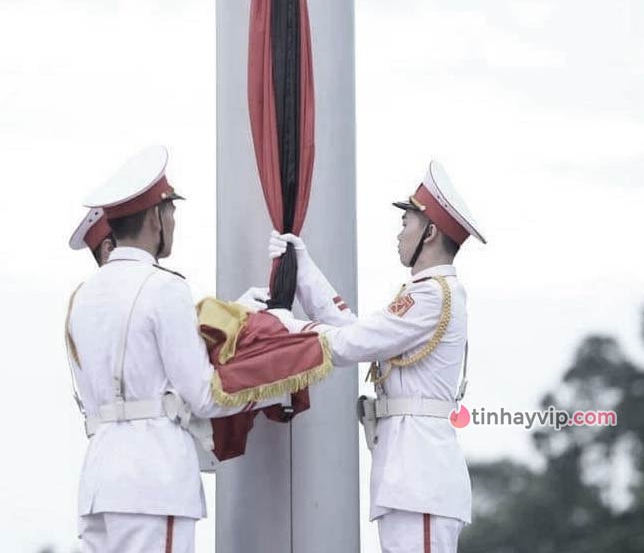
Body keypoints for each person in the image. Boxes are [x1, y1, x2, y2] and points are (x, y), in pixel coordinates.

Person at [67, 146, 288, 552]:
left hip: (100, 480)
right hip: (154, 480)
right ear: (156, 217)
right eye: (171, 212)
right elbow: (203, 395)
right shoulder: (164, 287)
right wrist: (280, 382)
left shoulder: (81, 297)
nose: (172, 221)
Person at [268, 160, 486, 553]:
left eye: (406, 223)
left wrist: (284, 329)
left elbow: (350, 344)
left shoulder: (431, 294)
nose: (399, 233)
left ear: (431, 232)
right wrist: (303, 270)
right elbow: (354, 330)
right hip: (409, 479)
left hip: (420, 481)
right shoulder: (424, 292)